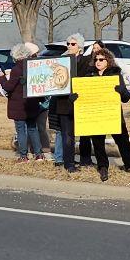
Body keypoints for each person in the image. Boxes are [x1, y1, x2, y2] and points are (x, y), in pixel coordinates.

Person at [75, 46, 130, 181]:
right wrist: (76, 97)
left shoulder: (115, 75)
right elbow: (83, 95)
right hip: (96, 114)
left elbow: (126, 98)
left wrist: (121, 91)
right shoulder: (89, 75)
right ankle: (102, 167)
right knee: (98, 142)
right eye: (96, 59)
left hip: (113, 114)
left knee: (122, 140)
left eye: (101, 59)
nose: (98, 62)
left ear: (108, 61)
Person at [0, 43, 45, 163]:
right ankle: (39, 154)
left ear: (16, 56)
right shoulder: (33, 67)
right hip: (32, 103)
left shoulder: (16, 69)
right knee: (32, 128)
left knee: (21, 130)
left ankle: (24, 156)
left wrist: (2, 78)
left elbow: (8, 87)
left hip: (18, 105)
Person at [49, 33, 87, 172]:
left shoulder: (86, 61)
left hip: (81, 103)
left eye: (73, 44)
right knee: (67, 135)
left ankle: (85, 160)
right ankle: (68, 163)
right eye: (68, 44)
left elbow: (87, 80)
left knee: (83, 134)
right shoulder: (61, 60)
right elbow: (54, 81)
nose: (69, 46)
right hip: (64, 103)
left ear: (80, 47)